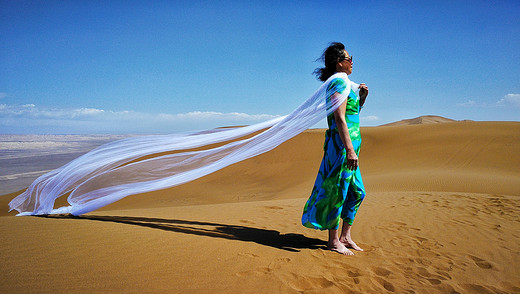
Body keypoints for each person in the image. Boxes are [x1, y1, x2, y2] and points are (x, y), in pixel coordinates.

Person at [302, 42, 369, 255]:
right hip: (341, 147)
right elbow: (339, 117)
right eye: (349, 59)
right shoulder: (339, 82)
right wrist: (349, 149)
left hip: (350, 147)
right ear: (339, 63)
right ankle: (332, 241)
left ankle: (345, 236)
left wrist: (362, 99)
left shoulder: (346, 83)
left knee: (357, 191)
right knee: (338, 190)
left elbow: (350, 113)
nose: (352, 63)